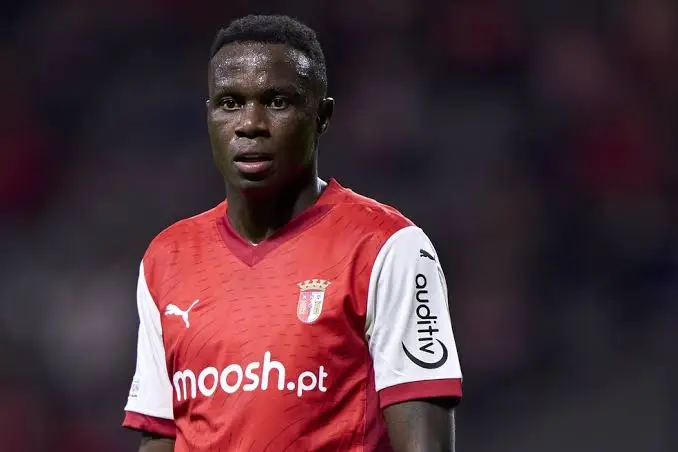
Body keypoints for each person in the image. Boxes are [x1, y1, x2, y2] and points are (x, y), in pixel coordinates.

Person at [122, 14, 463, 452]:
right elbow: (160, 436)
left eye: (278, 102)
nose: (250, 124)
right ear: (209, 116)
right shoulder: (168, 258)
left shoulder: (388, 247)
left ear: (322, 116)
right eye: (230, 103)